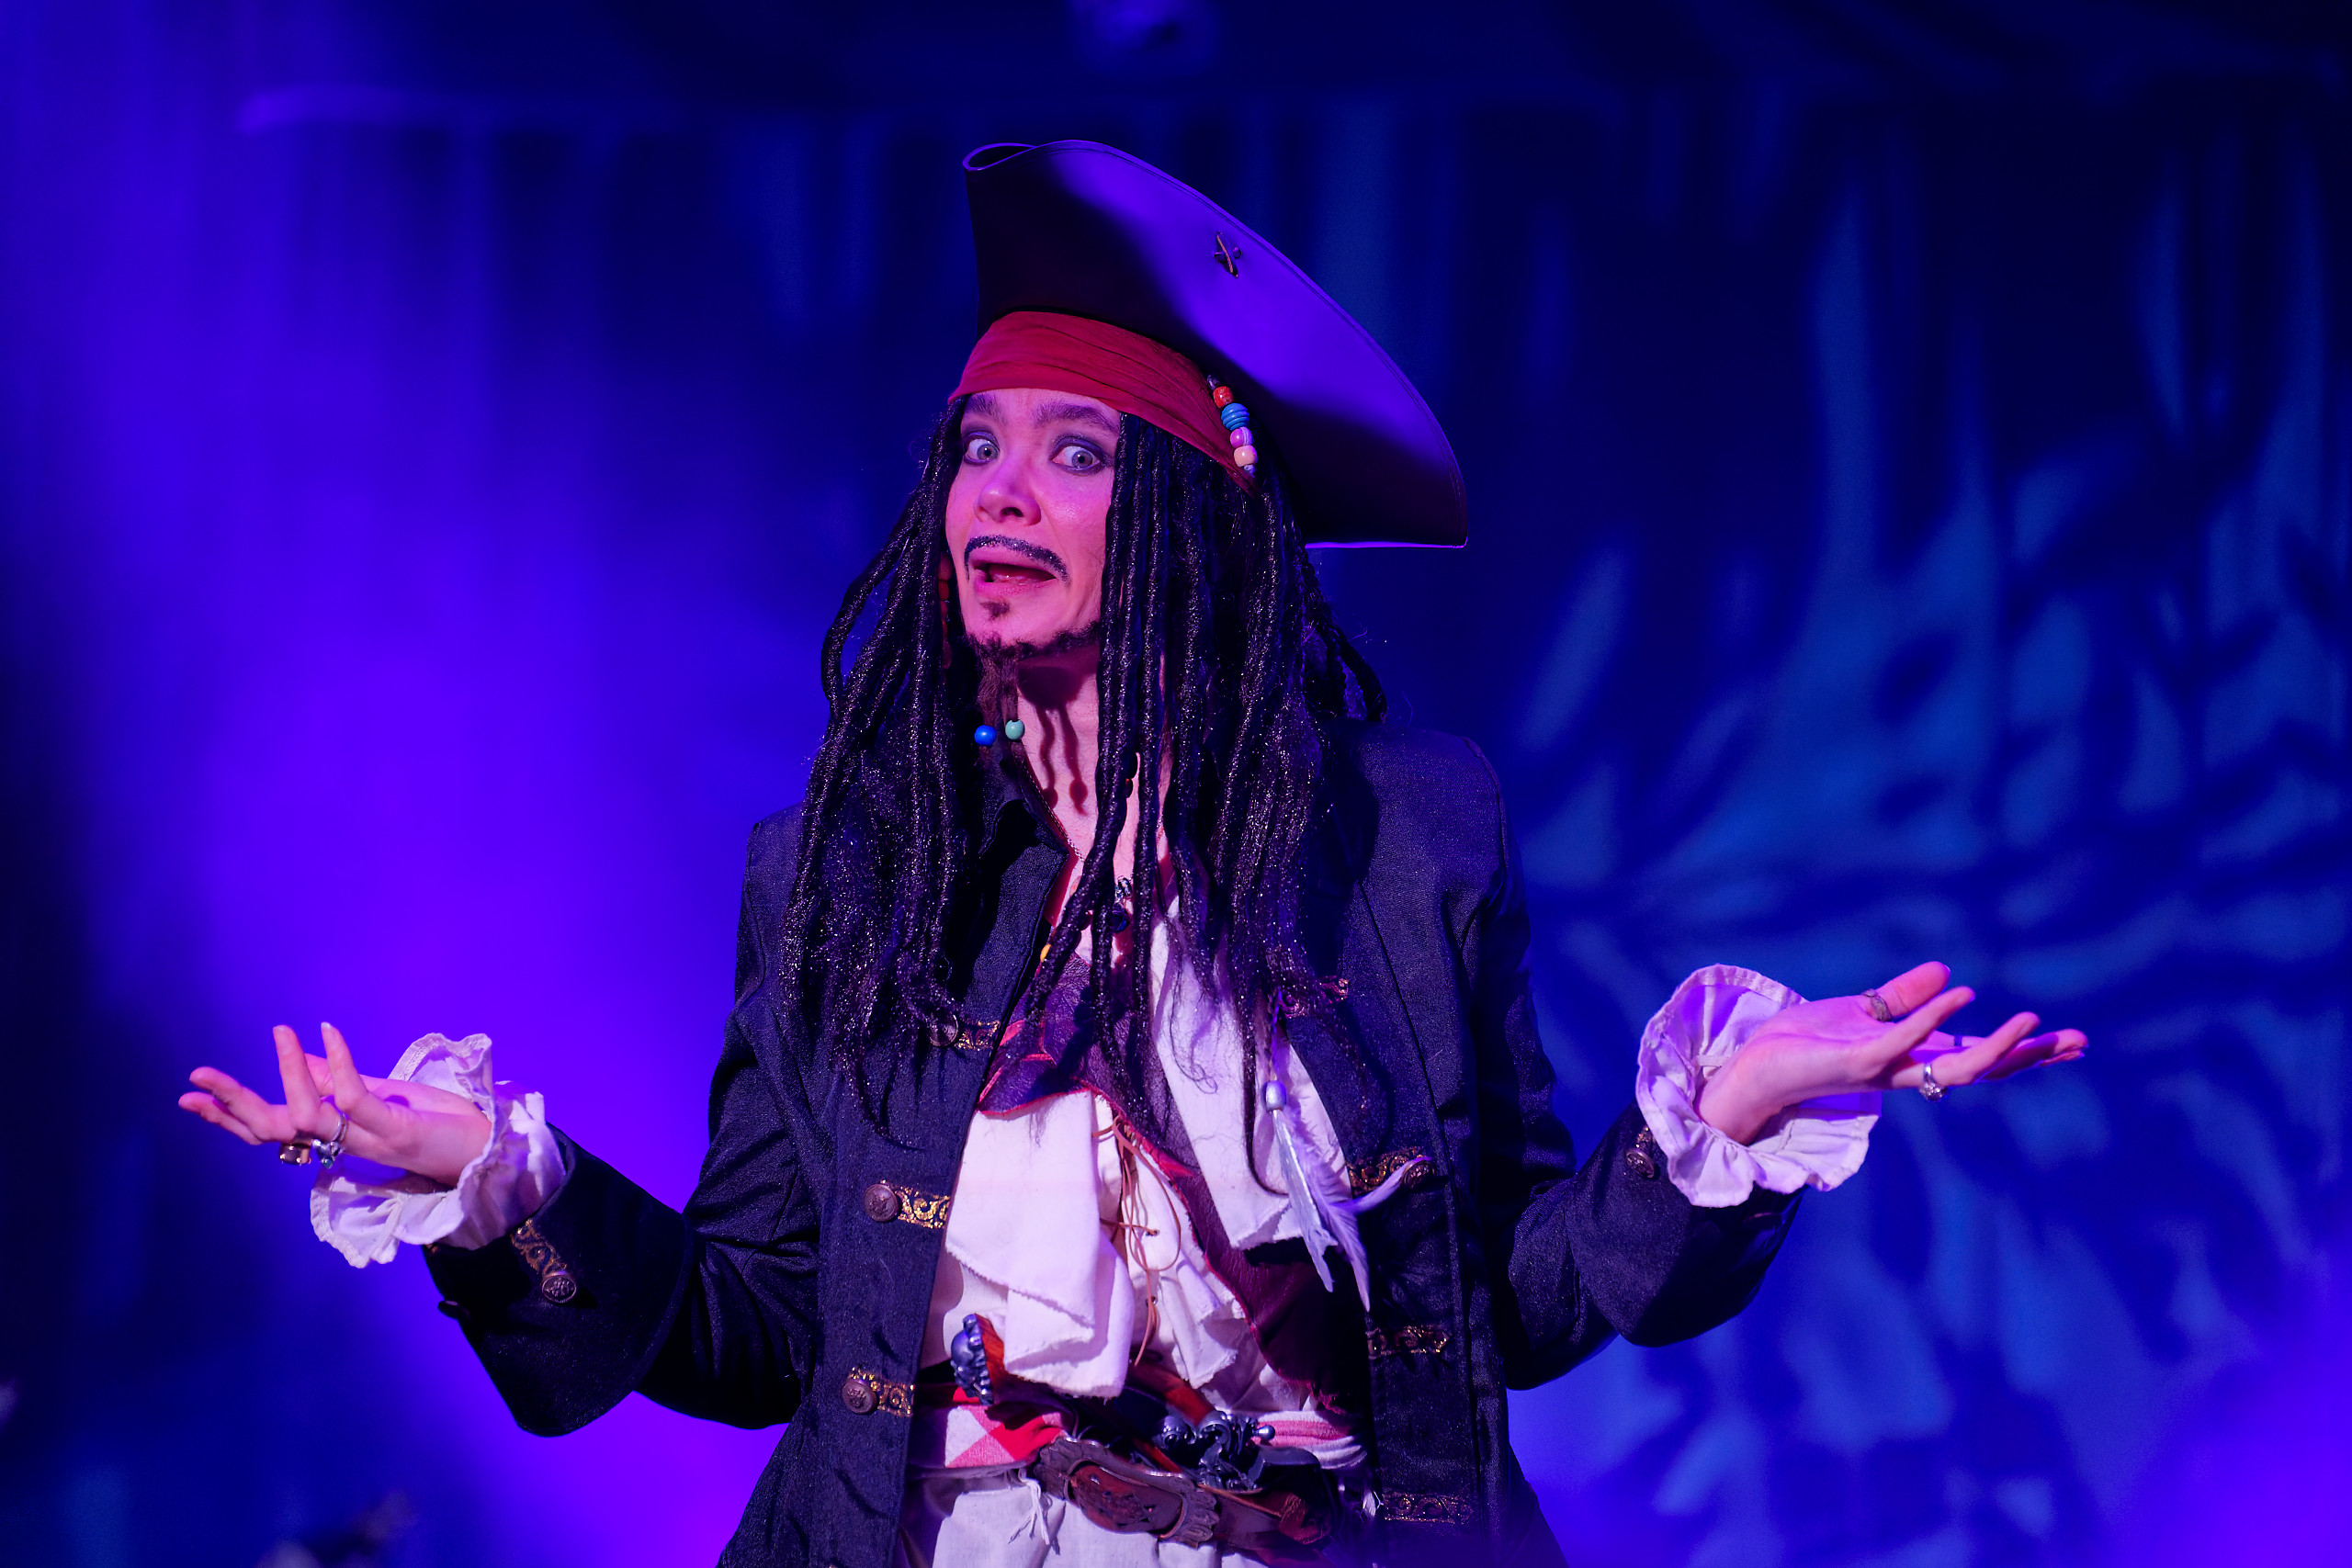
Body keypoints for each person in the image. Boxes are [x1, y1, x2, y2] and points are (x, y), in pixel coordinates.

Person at [177, 141, 2086, 1568]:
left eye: (1076, 454)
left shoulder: (1402, 838)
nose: (997, 492)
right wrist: (500, 1188)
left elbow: (1494, 1304)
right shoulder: (845, 870)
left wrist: (1724, 1119)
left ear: (1184, 518)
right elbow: (764, 1330)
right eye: (974, 448)